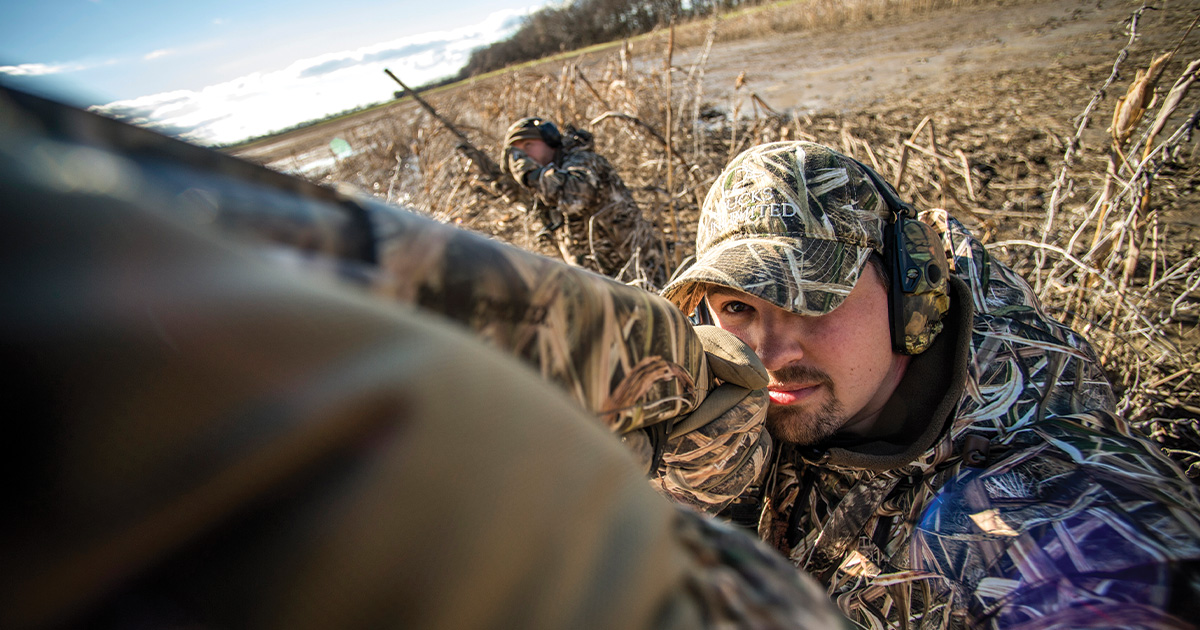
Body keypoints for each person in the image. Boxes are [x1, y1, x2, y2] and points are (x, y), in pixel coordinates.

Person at [0, 83, 848, 630]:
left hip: (619, 262)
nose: (776, 342)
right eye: (740, 306)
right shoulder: (724, 431)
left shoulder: (579, 169)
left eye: (819, 300)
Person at [660, 141, 1200, 629]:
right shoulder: (740, 391)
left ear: (911, 295)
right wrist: (685, 483)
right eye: (737, 307)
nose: (770, 354)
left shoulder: (1030, 503)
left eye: (813, 299)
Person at [501, 116, 663, 287]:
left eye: (528, 145)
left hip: (635, 274)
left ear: (550, 141)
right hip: (594, 281)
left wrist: (529, 174)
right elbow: (509, 190)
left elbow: (573, 196)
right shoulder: (543, 178)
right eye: (517, 152)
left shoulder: (583, 160)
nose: (524, 156)